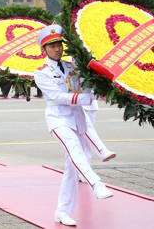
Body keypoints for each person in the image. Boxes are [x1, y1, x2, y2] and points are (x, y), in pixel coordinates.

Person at [33, 25, 116, 226]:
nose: (57, 49)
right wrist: (85, 98)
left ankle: (62, 211)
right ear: (44, 49)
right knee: (75, 150)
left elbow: (85, 86)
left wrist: (100, 91)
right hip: (58, 119)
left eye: (59, 45)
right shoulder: (41, 72)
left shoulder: (71, 66)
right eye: (52, 46)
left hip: (77, 118)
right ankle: (96, 184)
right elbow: (58, 96)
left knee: (71, 168)